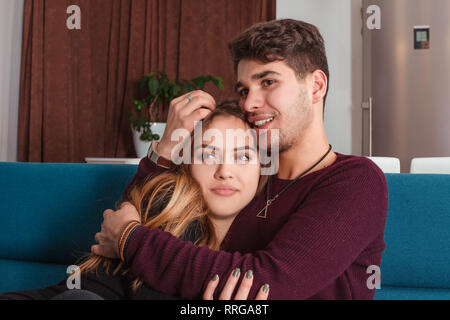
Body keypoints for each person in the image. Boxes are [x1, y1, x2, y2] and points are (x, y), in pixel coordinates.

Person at [92, 19, 389, 300]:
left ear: (316, 86)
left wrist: (130, 240)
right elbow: (139, 214)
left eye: (268, 82)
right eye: (244, 90)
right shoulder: (247, 176)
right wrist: (168, 146)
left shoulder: (357, 180)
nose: (249, 103)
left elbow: (266, 284)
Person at [0, 101, 268, 300]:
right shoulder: (170, 205)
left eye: (243, 157)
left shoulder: (267, 243)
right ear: (186, 164)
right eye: (208, 155)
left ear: (263, 168)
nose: (225, 171)